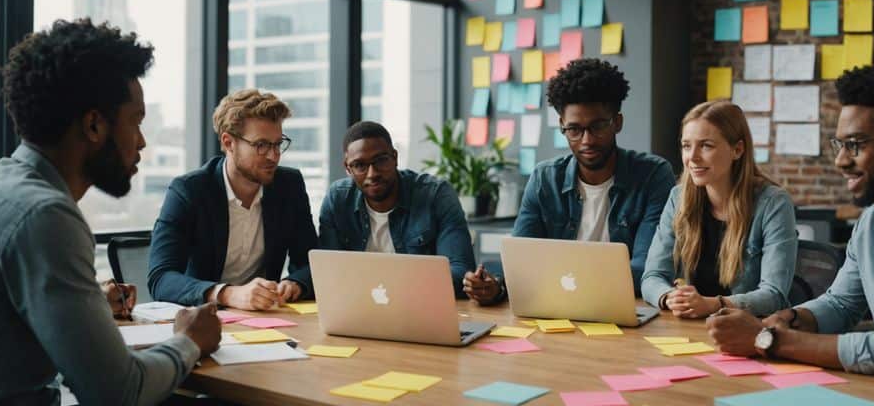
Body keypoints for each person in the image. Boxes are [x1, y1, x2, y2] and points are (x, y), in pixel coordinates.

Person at [0, 19, 221, 405]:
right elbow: (119, 393)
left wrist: (92, 304)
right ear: (94, 125)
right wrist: (188, 341)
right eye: (135, 121)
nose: (142, 142)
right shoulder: (43, 215)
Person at [708, 63, 874, 379]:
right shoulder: (870, 225)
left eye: (855, 144)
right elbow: (840, 305)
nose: (841, 161)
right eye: (840, 145)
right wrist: (791, 319)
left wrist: (770, 341)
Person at [464, 58, 675, 304]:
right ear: (562, 125)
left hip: (627, 307)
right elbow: (520, 258)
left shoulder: (653, 175)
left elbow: (646, 268)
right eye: (574, 130)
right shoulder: (545, 179)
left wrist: (562, 280)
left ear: (617, 122)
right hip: (556, 305)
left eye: (597, 127)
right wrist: (495, 285)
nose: (586, 141)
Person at [149, 89, 318, 310]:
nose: (273, 156)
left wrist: (295, 282)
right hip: (206, 319)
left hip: (268, 320)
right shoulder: (189, 191)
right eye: (261, 145)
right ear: (228, 143)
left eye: (277, 144)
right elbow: (161, 278)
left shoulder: (289, 186)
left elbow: (311, 261)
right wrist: (228, 294)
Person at [641, 100, 797, 318]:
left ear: (737, 149)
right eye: (686, 146)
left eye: (706, 145)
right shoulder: (678, 198)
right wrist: (669, 297)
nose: (692, 157)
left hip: (746, 331)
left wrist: (713, 304)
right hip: (688, 329)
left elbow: (774, 295)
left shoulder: (773, 203)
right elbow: (652, 276)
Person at [318, 121, 476, 295]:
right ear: (348, 168)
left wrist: (397, 290)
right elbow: (327, 272)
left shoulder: (435, 195)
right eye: (360, 165)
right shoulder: (338, 199)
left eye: (381, 160)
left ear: (395, 157)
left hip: (420, 306)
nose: (373, 174)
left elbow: (461, 270)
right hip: (358, 307)